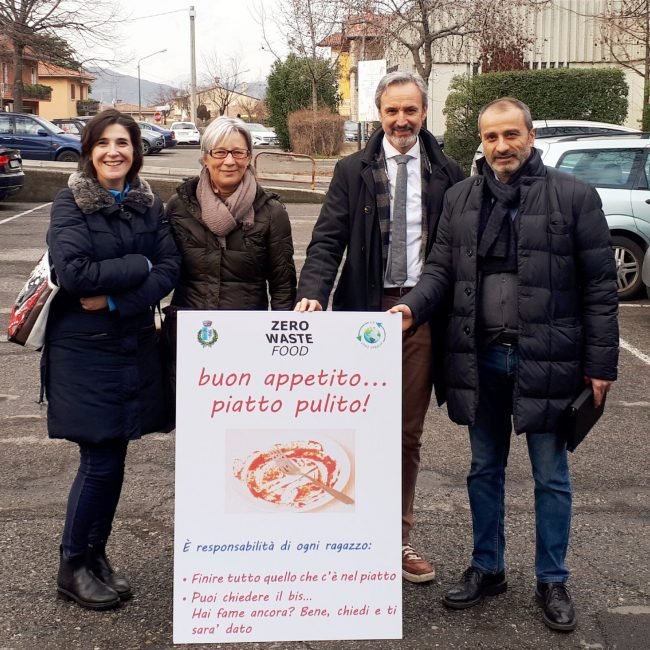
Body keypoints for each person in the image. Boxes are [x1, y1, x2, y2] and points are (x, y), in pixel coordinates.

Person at [390, 97, 619, 630]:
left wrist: (601, 363)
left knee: (550, 475)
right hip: (480, 357)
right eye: (491, 138)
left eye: (511, 135)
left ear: (530, 136)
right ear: (481, 142)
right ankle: (487, 567)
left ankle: (552, 578)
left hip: (550, 360)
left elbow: (601, 289)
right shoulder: (462, 199)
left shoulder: (575, 198)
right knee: (483, 470)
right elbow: (440, 272)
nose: (502, 147)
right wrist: (411, 308)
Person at [295, 71, 465, 583]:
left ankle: (397, 540)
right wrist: (312, 293)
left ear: (424, 112)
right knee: (348, 431)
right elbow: (327, 240)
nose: (401, 120)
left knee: (405, 436)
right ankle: (342, 535)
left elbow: (457, 252)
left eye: (410, 110)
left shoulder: (450, 173)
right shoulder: (353, 171)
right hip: (360, 317)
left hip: (420, 315)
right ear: (379, 113)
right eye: (392, 111)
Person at [43, 109, 181, 609]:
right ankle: (72, 563)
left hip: (131, 342)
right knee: (99, 459)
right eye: (103, 143)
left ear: (135, 150)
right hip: (85, 351)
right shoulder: (69, 203)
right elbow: (75, 273)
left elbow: (170, 268)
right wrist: (137, 264)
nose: (113, 151)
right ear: (89, 151)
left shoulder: (148, 205)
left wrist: (121, 297)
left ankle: (95, 556)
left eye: (122, 142)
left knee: (115, 457)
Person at [162, 116, 296, 391]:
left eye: (238, 152)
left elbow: (283, 284)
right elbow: (164, 269)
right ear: (205, 158)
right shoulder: (179, 206)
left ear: (249, 157)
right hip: (192, 332)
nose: (229, 161)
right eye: (220, 152)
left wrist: (281, 341)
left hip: (247, 333)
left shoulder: (271, 212)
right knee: (193, 419)